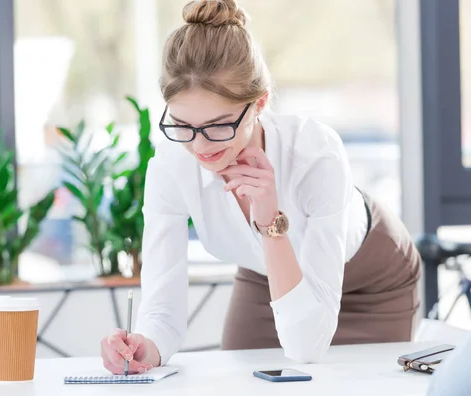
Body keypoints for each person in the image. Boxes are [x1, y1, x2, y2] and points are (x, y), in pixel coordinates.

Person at [100, 0, 421, 374]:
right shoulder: (172, 163)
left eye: (219, 125)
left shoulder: (315, 155)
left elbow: (307, 348)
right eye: (183, 124)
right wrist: (146, 347)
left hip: (372, 280)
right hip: (268, 276)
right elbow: (161, 307)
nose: (200, 147)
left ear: (260, 103)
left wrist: (270, 220)